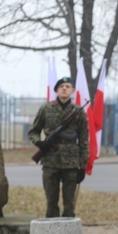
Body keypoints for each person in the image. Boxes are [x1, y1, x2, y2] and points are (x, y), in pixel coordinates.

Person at [28, 76, 89, 217]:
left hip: (71, 163)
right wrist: (39, 143)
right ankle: (51, 233)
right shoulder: (46, 109)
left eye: (68, 86)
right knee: (51, 203)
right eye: (61, 86)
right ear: (56, 90)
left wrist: (82, 166)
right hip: (50, 161)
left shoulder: (79, 112)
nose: (64, 89)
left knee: (69, 205)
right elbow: (33, 131)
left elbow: (84, 141)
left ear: (72, 91)